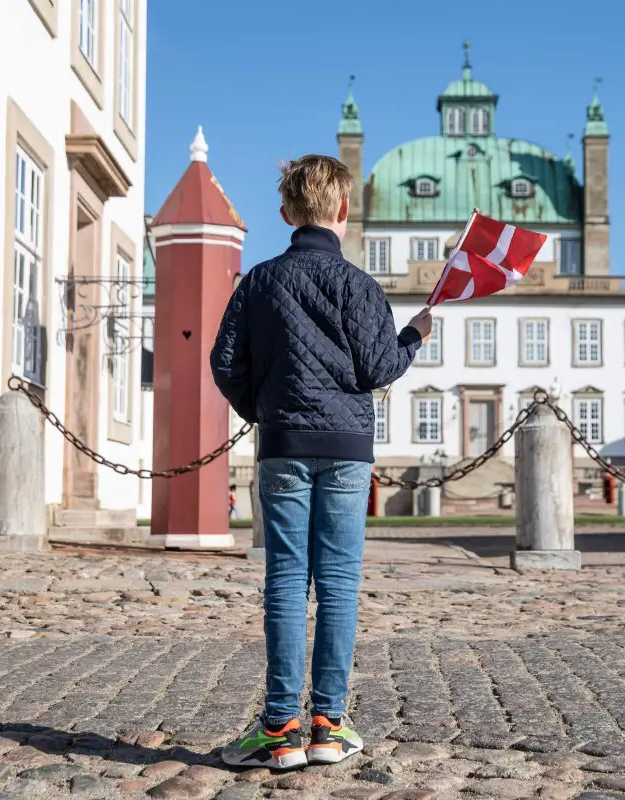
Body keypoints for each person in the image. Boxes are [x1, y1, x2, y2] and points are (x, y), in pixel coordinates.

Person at [210, 154, 432, 770]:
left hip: (283, 444)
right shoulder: (361, 285)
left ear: (285, 213)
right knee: (337, 585)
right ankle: (329, 726)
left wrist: (265, 408)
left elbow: (225, 362)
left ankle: (280, 729)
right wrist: (413, 336)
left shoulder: (258, 281)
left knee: (285, 582)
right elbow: (378, 368)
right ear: (344, 210)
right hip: (347, 449)